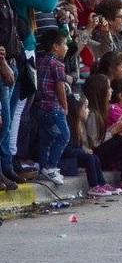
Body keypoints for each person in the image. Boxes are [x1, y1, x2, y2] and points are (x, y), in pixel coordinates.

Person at [6, 0, 60, 175]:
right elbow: (47, 4)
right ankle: (11, 155)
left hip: (23, 49)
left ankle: (11, 154)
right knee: (17, 108)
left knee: (18, 108)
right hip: (23, 50)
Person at [34, 30, 71, 186]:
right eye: (64, 44)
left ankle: (43, 167)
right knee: (64, 136)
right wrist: (65, 106)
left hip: (40, 107)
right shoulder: (57, 64)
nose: (67, 47)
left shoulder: (41, 61)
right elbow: (60, 86)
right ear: (56, 46)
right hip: (54, 107)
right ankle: (51, 166)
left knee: (46, 138)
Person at [64, 93, 116, 197]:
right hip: (66, 160)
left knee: (94, 157)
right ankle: (94, 186)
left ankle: (102, 183)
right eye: (86, 107)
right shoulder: (68, 127)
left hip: (75, 156)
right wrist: (83, 151)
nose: (88, 110)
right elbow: (66, 150)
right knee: (89, 158)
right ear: (77, 109)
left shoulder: (79, 125)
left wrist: (83, 150)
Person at [0, 0, 23, 189]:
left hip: (11, 61)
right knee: (3, 120)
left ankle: (5, 166)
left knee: (6, 121)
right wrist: (3, 64)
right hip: (3, 64)